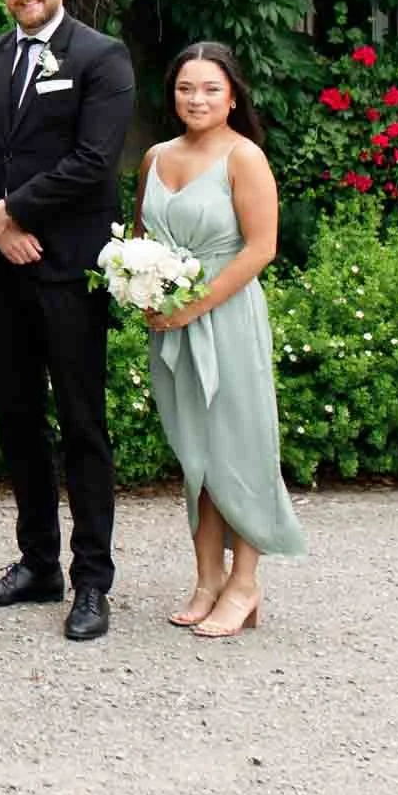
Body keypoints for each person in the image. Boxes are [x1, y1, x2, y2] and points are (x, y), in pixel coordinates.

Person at [0, 0, 134, 642]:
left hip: (66, 268)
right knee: (19, 420)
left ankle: (91, 581)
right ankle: (36, 562)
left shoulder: (100, 57)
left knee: (83, 424)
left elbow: (93, 161)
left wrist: (15, 210)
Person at [133, 41, 306, 638]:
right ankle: (207, 577)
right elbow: (140, 243)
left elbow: (261, 248)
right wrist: (144, 291)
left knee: (238, 446)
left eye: (210, 88)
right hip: (171, 324)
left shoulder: (244, 157)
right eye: (185, 88)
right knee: (195, 454)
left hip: (225, 316)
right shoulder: (155, 157)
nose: (196, 99)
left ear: (233, 95)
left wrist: (193, 306)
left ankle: (245, 583)